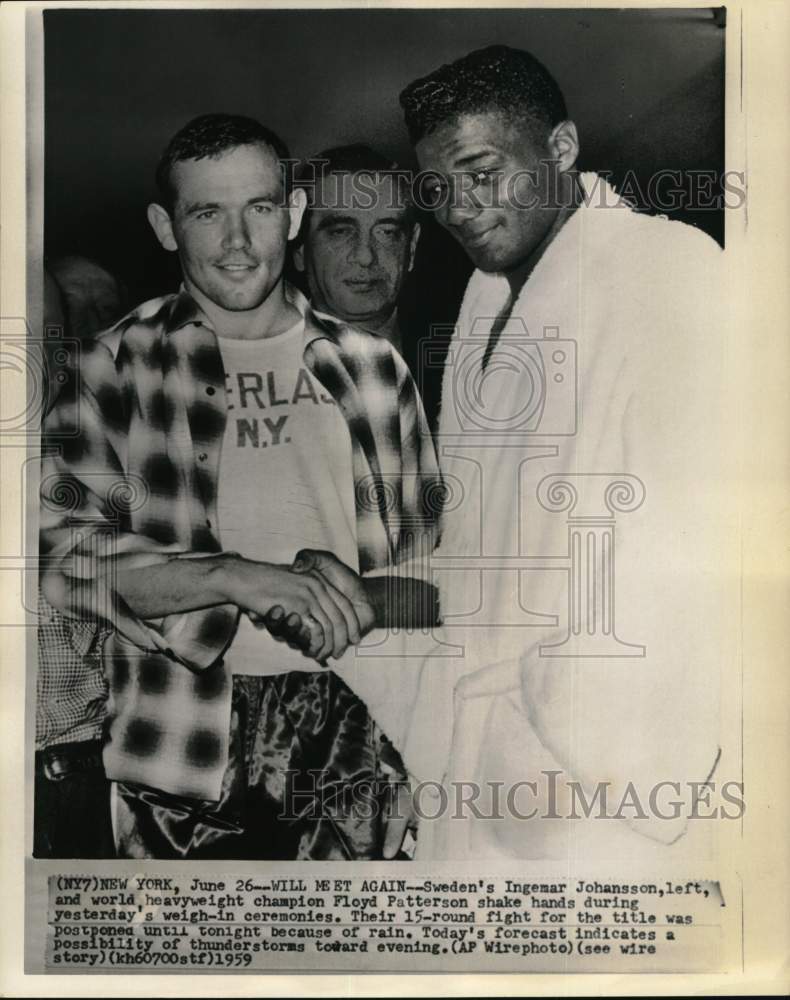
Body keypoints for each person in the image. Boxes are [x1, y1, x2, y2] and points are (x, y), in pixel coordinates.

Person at [40, 113, 439, 860]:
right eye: (206, 213)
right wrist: (235, 578)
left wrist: (353, 593)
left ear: (290, 215)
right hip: (179, 741)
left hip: (362, 737)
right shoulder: (109, 368)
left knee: (349, 971)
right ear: (166, 226)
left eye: (258, 208)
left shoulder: (376, 371)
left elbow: (437, 579)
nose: (236, 241)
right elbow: (64, 564)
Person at [385, 44, 737, 859]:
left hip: (591, 785)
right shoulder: (480, 299)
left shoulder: (669, 272)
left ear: (562, 148)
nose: (459, 209)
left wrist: (557, 733)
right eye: (437, 188)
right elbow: (480, 555)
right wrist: (374, 599)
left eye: (481, 172)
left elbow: (692, 557)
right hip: (476, 752)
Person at [293, 144, 419, 356]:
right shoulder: (255, 363)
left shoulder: (466, 353)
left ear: (412, 247)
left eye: (386, 233)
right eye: (341, 232)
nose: (365, 257)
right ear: (299, 249)